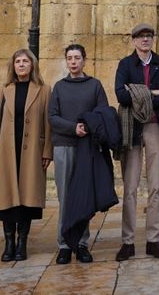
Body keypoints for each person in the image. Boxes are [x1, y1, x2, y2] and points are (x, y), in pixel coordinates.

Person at [113, 22, 159, 260]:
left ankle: (153, 240)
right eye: (140, 36)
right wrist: (152, 92)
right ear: (133, 41)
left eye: (149, 36)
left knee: (156, 187)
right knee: (130, 188)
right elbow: (120, 94)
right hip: (132, 130)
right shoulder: (126, 64)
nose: (145, 40)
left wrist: (138, 93)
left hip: (155, 127)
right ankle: (127, 242)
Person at [0, 48, 51, 263]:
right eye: (18, 61)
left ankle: (22, 243)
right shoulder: (3, 90)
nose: (21, 65)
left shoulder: (43, 90)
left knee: (26, 200)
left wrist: (47, 151)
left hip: (31, 151)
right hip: (7, 150)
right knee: (8, 199)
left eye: (25, 61)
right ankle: (8, 244)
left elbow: (47, 124)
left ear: (32, 65)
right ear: (13, 66)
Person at [49, 42, 108, 264]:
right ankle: (64, 244)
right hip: (64, 146)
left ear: (84, 60)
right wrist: (74, 127)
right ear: (67, 61)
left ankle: (82, 243)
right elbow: (53, 117)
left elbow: (102, 112)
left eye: (77, 57)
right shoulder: (60, 87)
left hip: (87, 148)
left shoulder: (95, 85)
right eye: (70, 58)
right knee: (65, 197)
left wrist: (88, 127)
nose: (73, 62)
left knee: (83, 197)